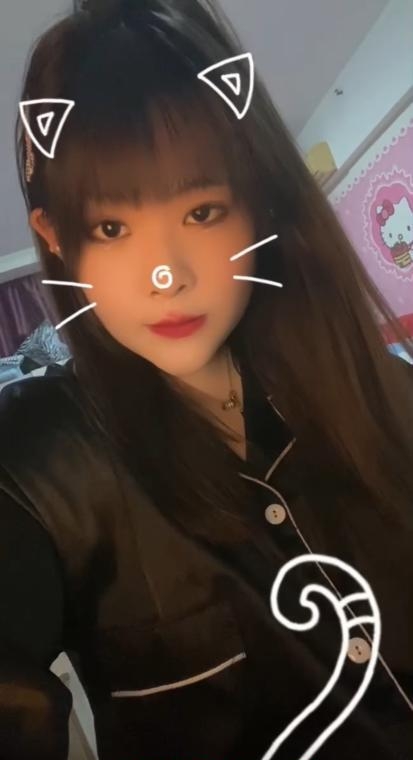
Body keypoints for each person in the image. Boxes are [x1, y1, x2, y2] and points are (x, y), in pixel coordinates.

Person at [1, 0, 413, 758]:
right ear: (56, 240)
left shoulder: (376, 388)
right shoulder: (37, 466)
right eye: (112, 228)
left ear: (259, 207)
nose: (168, 276)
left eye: (201, 212)